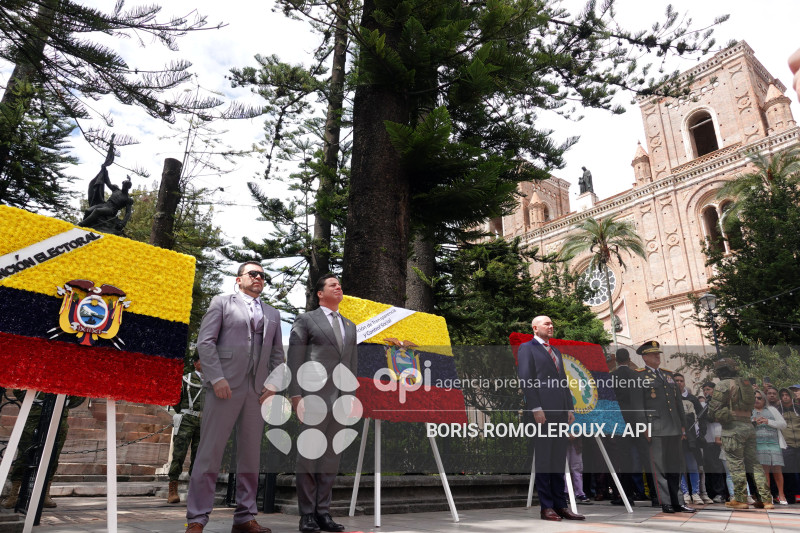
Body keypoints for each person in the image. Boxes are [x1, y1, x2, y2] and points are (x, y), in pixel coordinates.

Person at [184, 261, 285, 533]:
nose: (258, 278)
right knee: (210, 453)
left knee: (251, 456)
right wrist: (216, 378)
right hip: (224, 387)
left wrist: (274, 385)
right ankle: (196, 519)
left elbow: (278, 356)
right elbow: (204, 342)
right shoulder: (222, 302)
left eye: (262, 275)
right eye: (253, 274)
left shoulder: (273, 314)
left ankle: (245, 517)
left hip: (257, 392)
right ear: (238, 279)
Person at [288, 274, 358, 533]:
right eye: (333, 284)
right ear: (320, 293)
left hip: (341, 400)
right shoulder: (306, 320)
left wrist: (351, 395)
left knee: (331, 458)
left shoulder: (350, 325)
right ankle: (306, 515)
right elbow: (294, 359)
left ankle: (323, 513)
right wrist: (296, 396)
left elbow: (351, 363)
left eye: (340, 283)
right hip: (313, 397)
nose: (339, 286)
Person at [516, 316, 584, 522]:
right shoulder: (527, 348)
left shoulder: (555, 351)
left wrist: (569, 408)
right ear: (535, 328)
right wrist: (536, 407)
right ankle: (546, 507)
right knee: (544, 461)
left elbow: (563, 381)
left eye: (552, 323)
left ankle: (561, 505)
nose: (551, 326)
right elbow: (526, 379)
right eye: (547, 324)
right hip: (542, 415)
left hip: (560, 414)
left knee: (557, 460)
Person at [629, 341, 694, 514]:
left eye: (658, 353)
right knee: (660, 467)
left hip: (673, 427)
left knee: (675, 466)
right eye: (653, 354)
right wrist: (644, 428)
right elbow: (637, 405)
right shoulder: (638, 376)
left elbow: (677, 403)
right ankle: (665, 502)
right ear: (644, 357)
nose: (657, 356)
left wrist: (682, 426)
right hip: (655, 427)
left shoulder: (668, 375)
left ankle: (678, 501)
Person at [706, 359, 773, 510]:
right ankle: (766, 499)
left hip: (732, 428)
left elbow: (712, 409)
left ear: (720, 372)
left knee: (736, 463)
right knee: (754, 464)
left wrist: (715, 414)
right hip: (748, 425)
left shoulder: (723, 385)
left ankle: (741, 499)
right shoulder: (746, 383)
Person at [1, 392, 85, 510]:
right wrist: (31, 398)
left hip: (59, 415)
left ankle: (45, 494)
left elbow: (79, 397)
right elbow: (18, 389)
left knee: (52, 456)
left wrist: (66, 400)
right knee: (25, 454)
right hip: (33, 415)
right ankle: (14, 494)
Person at [610, 347, 655, 505]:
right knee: (646, 458)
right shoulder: (638, 376)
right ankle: (655, 496)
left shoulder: (611, 377)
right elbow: (646, 401)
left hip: (621, 421)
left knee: (624, 459)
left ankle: (627, 496)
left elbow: (610, 403)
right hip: (639, 421)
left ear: (616, 360)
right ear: (629, 359)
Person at [167, 353, 206, 504]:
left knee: (199, 457)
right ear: (196, 363)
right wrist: (183, 413)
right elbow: (176, 400)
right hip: (186, 419)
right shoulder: (186, 379)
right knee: (179, 454)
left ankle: (195, 491)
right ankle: (173, 489)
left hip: (202, 421)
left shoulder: (212, 381)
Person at [673, 373, 708, 505]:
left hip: (692, 440)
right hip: (677, 439)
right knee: (681, 467)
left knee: (693, 466)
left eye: (681, 380)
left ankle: (695, 493)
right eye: (676, 380)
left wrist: (700, 435)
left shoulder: (693, 399)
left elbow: (701, 418)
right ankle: (685, 493)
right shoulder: (669, 399)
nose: (679, 383)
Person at [752, 390, 788, 505]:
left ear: (764, 399)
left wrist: (768, 421)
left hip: (774, 443)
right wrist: (754, 422)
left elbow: (783, 425)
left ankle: (781, 495)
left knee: (777, 469)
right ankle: (767, 496)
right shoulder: (749, 411)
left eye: (759, 398)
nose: (756, 400)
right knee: (764, 471)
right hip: (758, 444)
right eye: (755, 398)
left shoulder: (772, 410)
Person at [778, 387, 800, 504]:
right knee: (788, 471)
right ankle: (790, 496)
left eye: (787, 394)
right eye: (782, 395)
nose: (785, 397)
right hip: (787, 445)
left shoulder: (798, 408)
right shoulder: (778, 410)